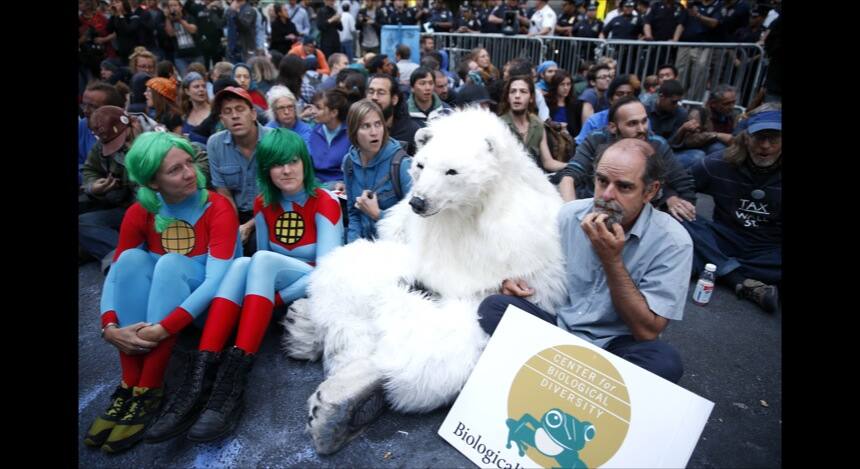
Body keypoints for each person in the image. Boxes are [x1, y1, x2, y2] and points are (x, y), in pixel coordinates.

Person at [143, 128, 343, 443]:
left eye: (293, 161)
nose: (287, 170)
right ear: (267, 170)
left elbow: (329, 271)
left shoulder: (325, 202)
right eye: (278, 164)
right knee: (241, 263)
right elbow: (261, 261)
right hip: (269, 290)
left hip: (309, 287)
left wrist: (273, 299)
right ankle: (200, 381)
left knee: (260, 259)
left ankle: (232, 385)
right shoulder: (264, 203)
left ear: (305, 163)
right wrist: (260, 295)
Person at [477, 137, 692, 383]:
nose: (607, 195)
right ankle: (586, 381)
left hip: (614, 345)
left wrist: (612, 261)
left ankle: (550, 369)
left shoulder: (673, 242)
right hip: (558, 326)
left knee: (665, 362)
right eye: (602, 181)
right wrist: (515, 281)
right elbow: (538, 271)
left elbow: (647, 330)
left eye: (624, 187)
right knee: (493, 307)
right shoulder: (569, 215)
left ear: (650, 191)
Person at [82, 131, 240, 453]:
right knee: (128, 259)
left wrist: (164, 328)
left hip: (206, 311)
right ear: (153, 183)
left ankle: (150, 386)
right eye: (174, 170)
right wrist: (109, 327)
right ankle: (130, 385)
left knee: (169, 264)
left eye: (188, 163)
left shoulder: (217, 206)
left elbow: (215, 281)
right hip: (164, 308)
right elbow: (116, 276)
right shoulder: (141, 211)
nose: (189, 174)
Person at [681, 104, 781, 313]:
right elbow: (677, 182)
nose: (765, 145)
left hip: (768, 248)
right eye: (758, 137)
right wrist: (676, 198)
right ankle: (739, 279)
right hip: (723, 238)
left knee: (685, 255)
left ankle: (716, 267)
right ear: (745, 138)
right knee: (676, 217)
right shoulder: (720, 162)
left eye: (774, 138)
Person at [558, 96, 697, 225]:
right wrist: (572, 217)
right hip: (593, 211)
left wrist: (678, 210)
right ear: (613, 127)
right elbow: (569, 176)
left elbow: (683, 184)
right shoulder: (596, 139)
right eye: (632, 124)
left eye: (644, 121)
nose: (642, 129)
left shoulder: (657, 145)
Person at [207, 86, 274, 256]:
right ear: (222, 119)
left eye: (240, 109)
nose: (234, 116)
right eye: (227, 111)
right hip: (235, 212)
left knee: (254, 245)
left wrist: (249, 226)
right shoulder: (215, 144)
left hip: (273, 210)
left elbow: (278, 193)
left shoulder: (273, 139)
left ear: (253, 114)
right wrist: (233, 227)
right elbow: (224, 194)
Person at [342, 99, 413, 242]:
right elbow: (354, 215)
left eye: (378, 124)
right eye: (366, 126)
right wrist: (352, 249)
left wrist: (377, 214)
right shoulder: (349, 162)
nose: (374, 132)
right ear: (354, 131)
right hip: (363, 246)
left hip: (394, 247)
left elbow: (413, 220)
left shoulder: (402, 164)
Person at [497, 75, 567, 176]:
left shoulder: (538, 125)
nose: (517, 95)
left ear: (531, 98)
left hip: (533, 181)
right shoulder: (498, 125)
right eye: (513, 91)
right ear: (508, 98)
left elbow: (548, 162)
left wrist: (572, 166)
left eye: (523, 91)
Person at [307, 88, 355, 189]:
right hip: (316, 185)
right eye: (313, 107)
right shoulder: (314, 130)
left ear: (334, 113)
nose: (313, 111)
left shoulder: (350, 134)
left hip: (341, 186)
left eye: (318, 108)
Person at [366, 73, 421, 154]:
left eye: (381, 93)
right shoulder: (357, 126)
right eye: (371, 92)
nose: (374, 97)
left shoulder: (411, 132)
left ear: (394, 99)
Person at [164, 0, 203, 76]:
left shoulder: (189, 17)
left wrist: (180, 20)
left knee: (199, 76)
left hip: (195, 54)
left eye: (175, 5)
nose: (173, 8)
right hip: (180, 56)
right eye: (170, 6)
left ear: (180, 7)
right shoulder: (169, 21)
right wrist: (168, 18)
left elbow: (193, 30)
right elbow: (170, 34)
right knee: (185, 78)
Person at [546, 70, 585, 141]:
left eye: (568, 84)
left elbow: (577, 129)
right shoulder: (546, 102)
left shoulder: (576, 104)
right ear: (555, 85)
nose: (566, 88)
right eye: (562, 84)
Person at [178, 71, 212, 144]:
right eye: (196, 87)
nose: (201, 89)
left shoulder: (213, 111)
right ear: (187, 91)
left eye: (203, 86)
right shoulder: (185, 114)